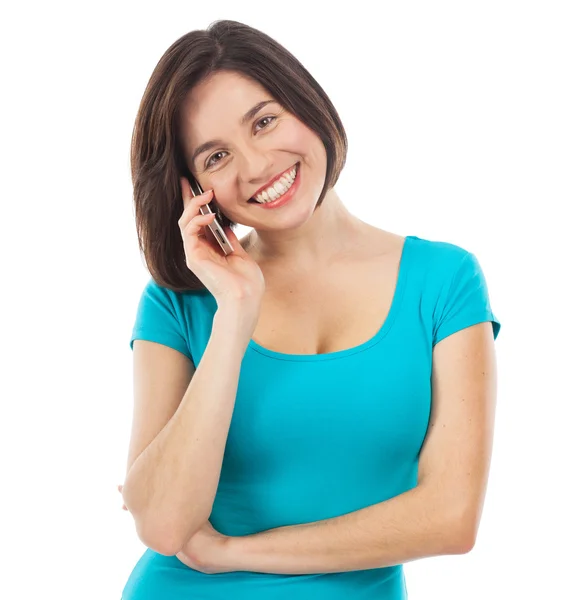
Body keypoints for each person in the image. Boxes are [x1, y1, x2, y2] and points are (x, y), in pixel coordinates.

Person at [119, 19, 501, 600]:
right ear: (193, 190)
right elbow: (165, 525)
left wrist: (233, 553)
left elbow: (451, 517)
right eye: (216, 156)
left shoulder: (444, 282)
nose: (255, 166)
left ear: (307, 103)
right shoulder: (179, 303)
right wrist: (235, 316)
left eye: (265, 121)